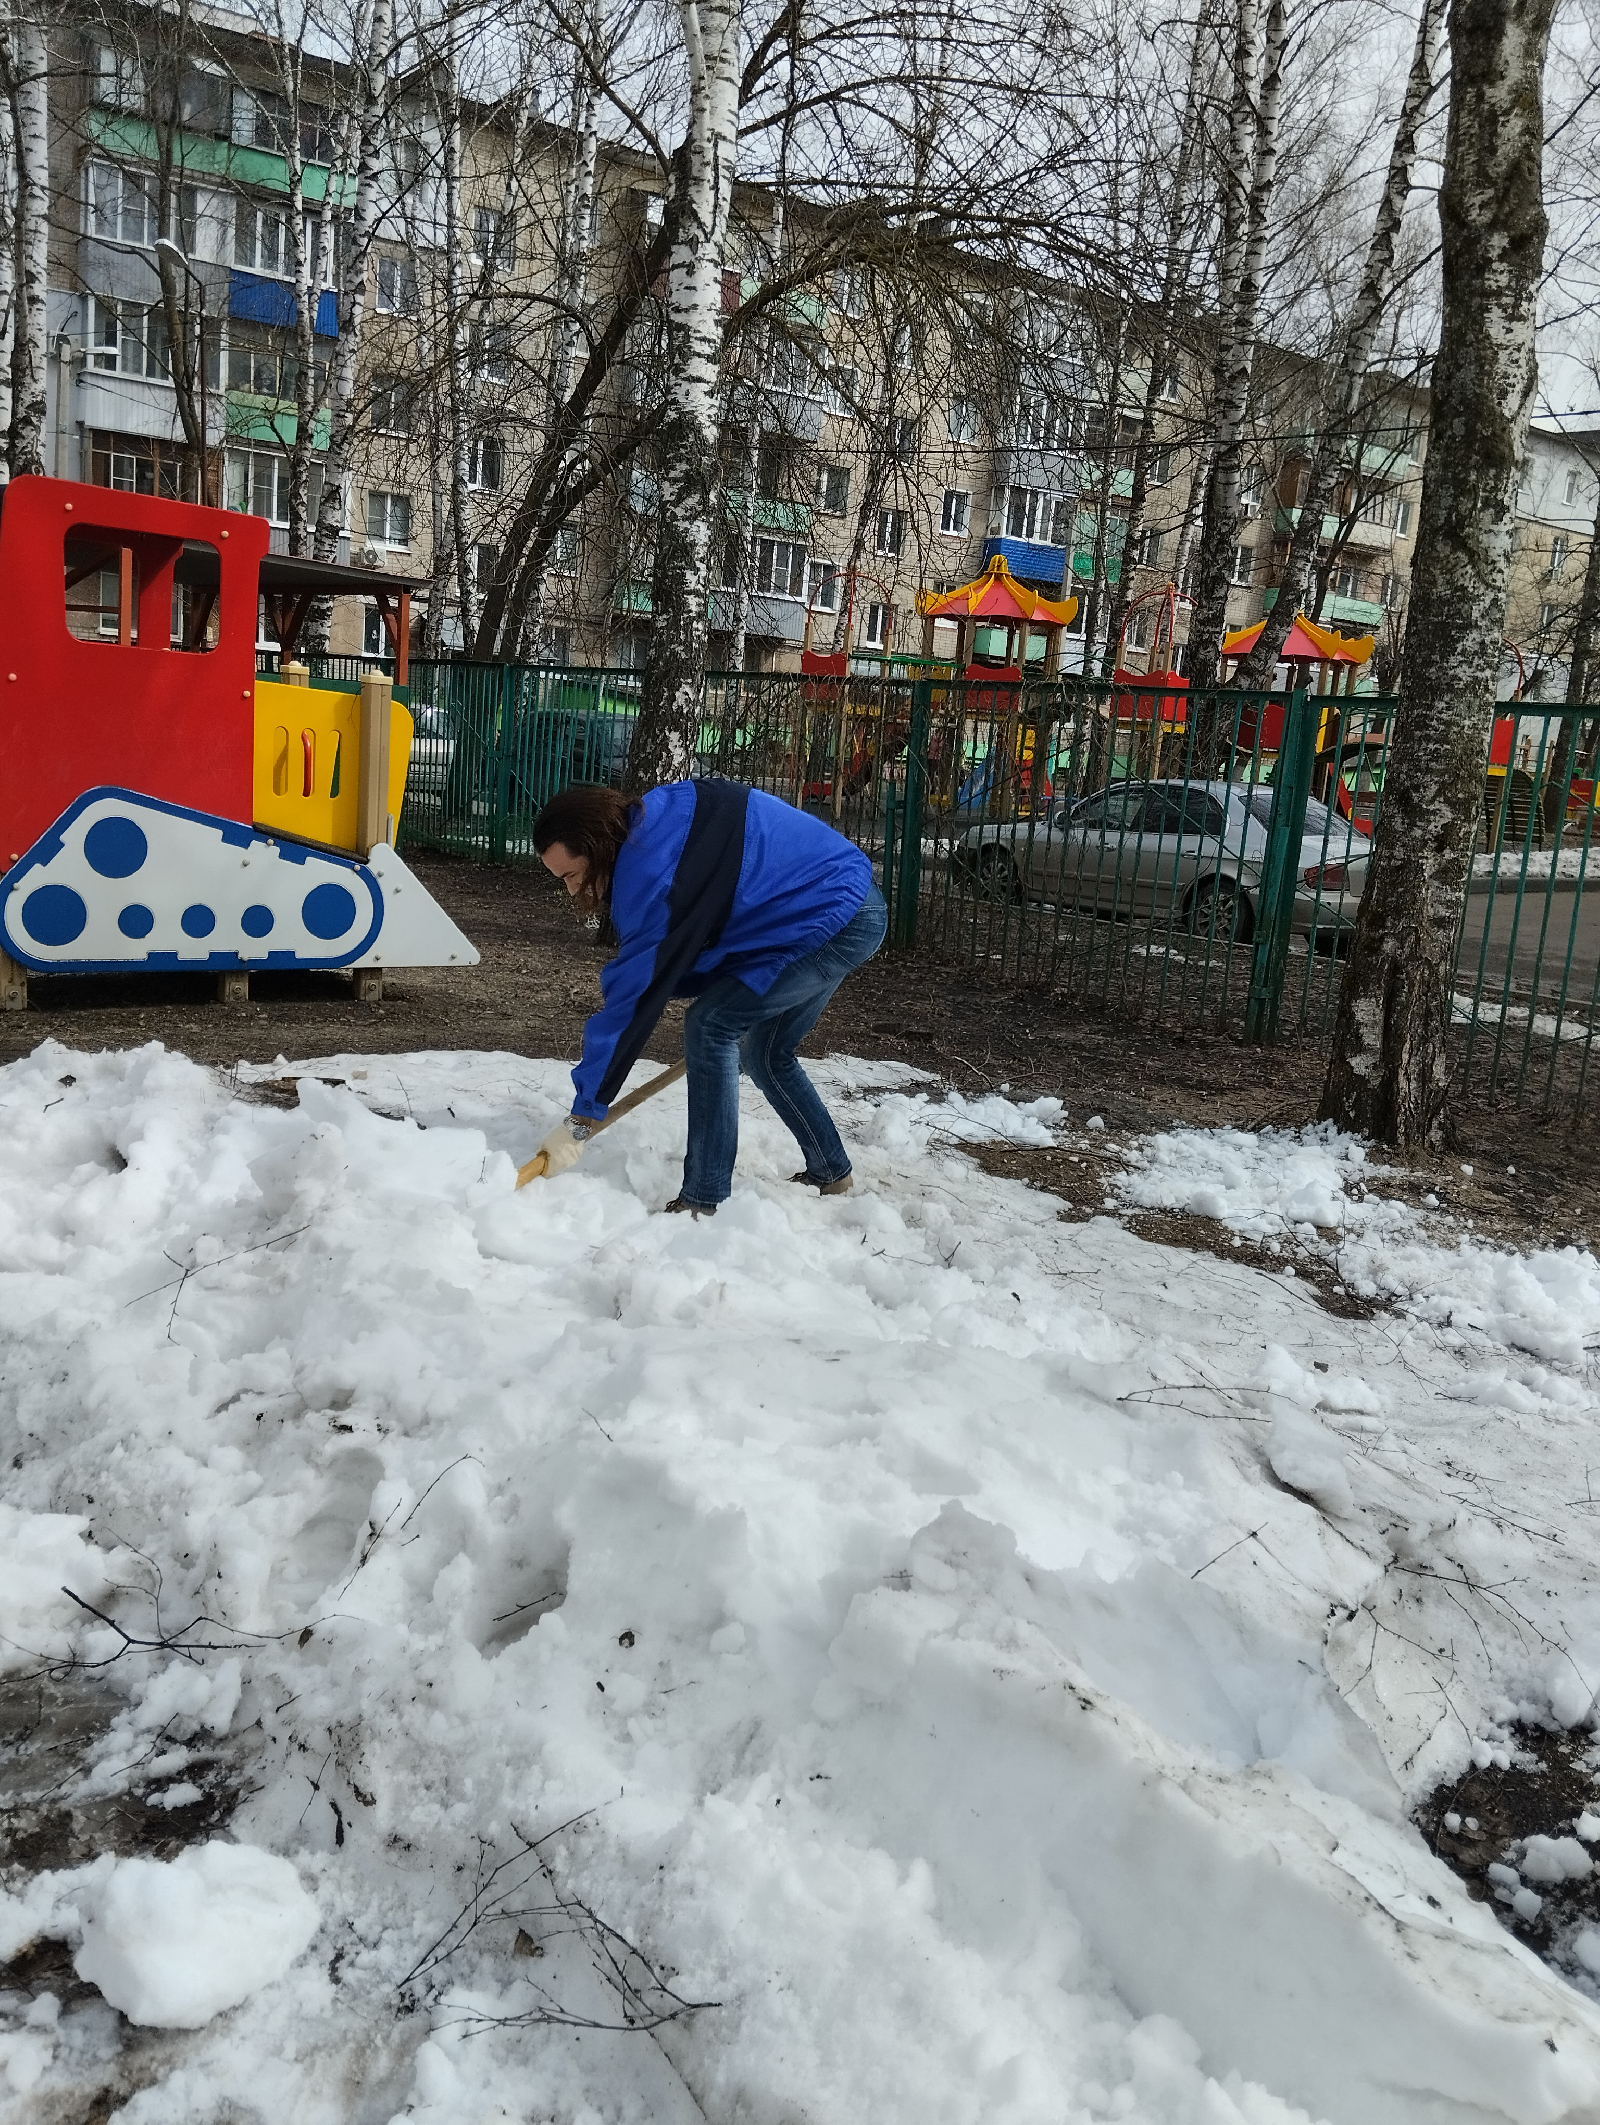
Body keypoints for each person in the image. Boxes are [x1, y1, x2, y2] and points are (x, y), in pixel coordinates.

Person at [531, 779, 886, 1215]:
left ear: (598, 844)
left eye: (571, 874)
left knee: (711, 1025)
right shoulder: (660, 816)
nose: (571, 891)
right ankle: (832, 1172)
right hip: (841, 900)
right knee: (767, 1052)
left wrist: (584, 1115)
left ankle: (703, 1198)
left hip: (832, 916)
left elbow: (633, 1002)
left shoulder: (652, 879)